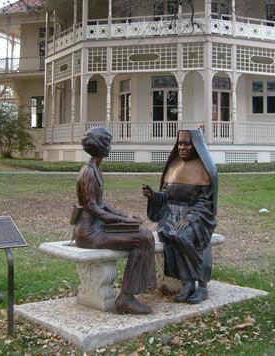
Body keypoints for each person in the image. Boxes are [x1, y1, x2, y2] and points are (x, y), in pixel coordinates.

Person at [74, 126, 156, 314]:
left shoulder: (95, 169)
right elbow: (92, 209)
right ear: (100, 146)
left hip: (98, 227)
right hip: (90, 233)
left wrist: (125, 215)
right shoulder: (88, 172)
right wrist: (123, 222)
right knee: (142, 238)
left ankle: (130, 294)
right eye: (108, 143)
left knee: (144, 234)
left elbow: (102, 204)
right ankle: (126, 299)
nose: (110, 147)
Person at [143, 129, 218, 304]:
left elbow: (206, 203)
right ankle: (188, 284)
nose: (182, 147)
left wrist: (190, 218)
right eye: (180, 143)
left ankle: (201, 285)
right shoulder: (173, 165)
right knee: (170, 234)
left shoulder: (206, 169)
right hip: (170, 216)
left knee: (184, 236)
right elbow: (166, 196)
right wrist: (153, 196)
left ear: (196, 146)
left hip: (198, 217)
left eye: (187, 144)